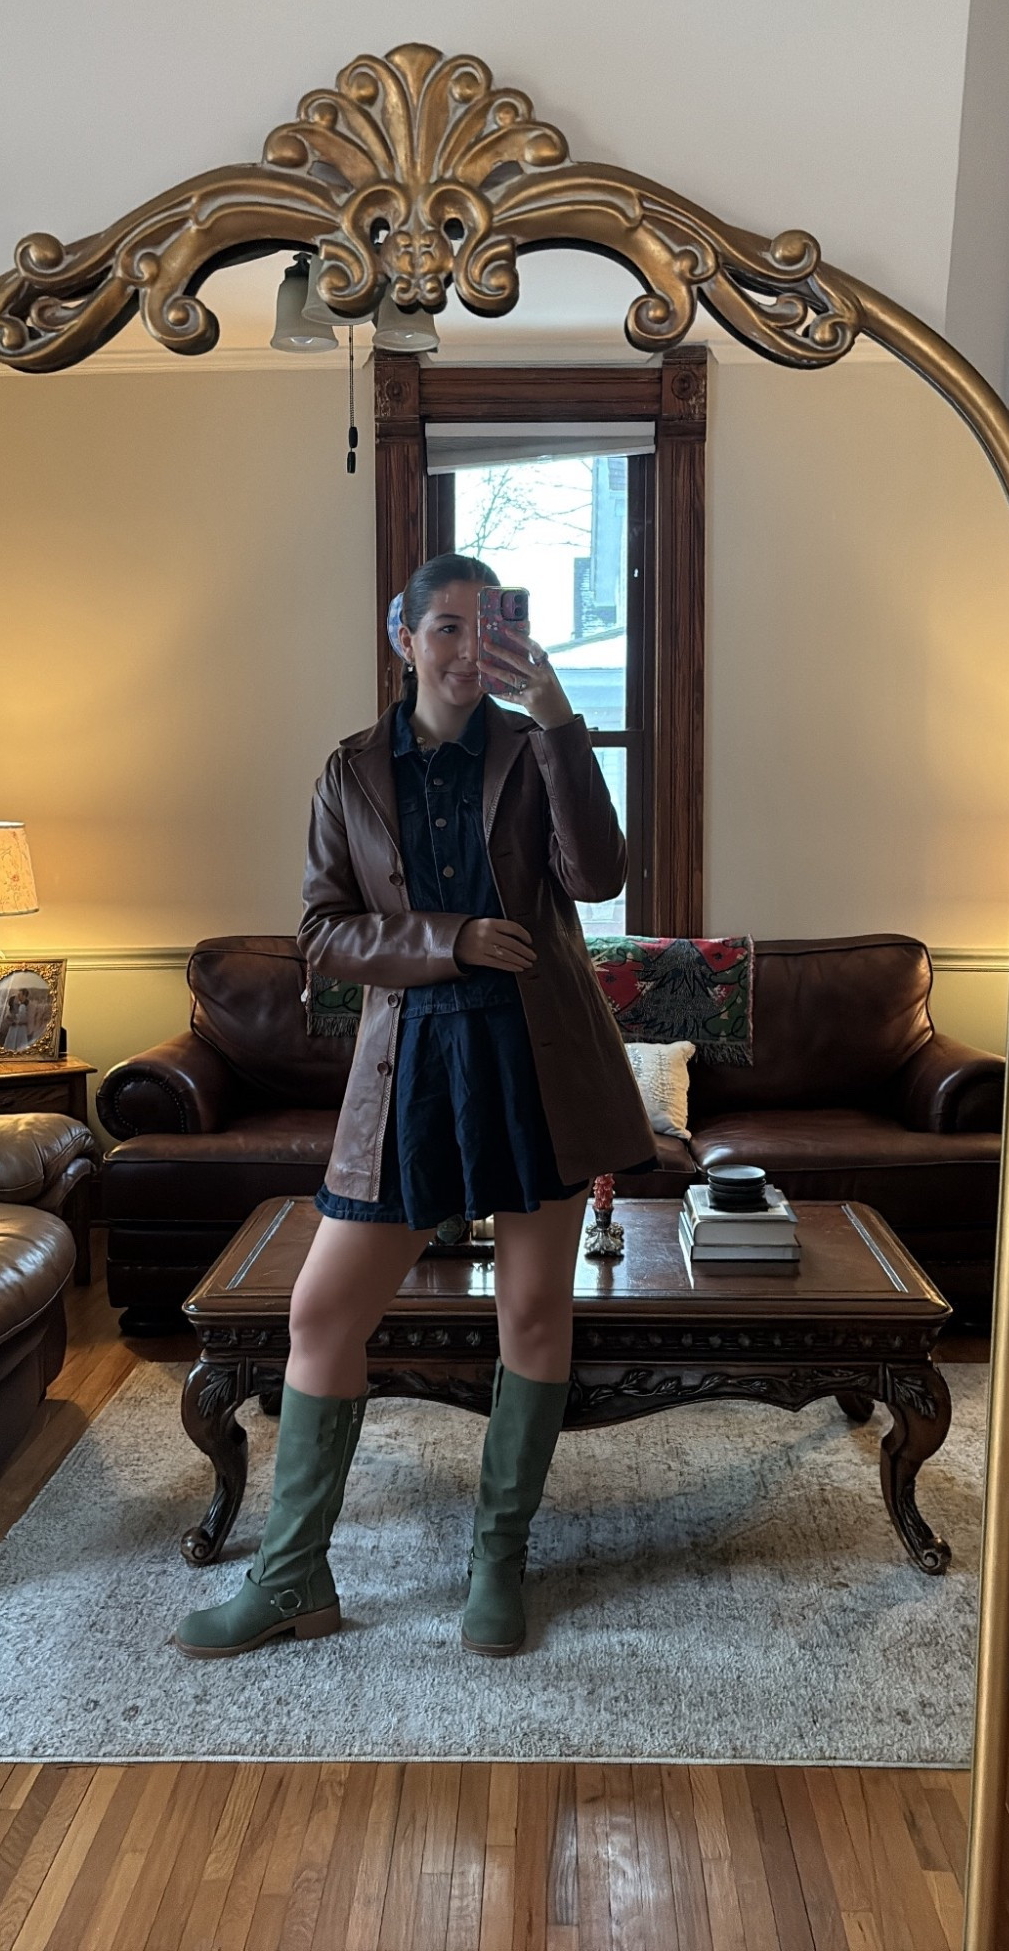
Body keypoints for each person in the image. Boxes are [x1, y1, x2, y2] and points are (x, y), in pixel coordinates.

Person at [174, 553, 657, 1662]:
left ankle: (499, 1559)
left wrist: (558, 717)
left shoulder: (531, 746)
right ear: (404, 638)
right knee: (320, 1313)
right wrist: (452, 939)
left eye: (489, 627)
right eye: (446, 626)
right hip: (407, 1067)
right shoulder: (349, 772)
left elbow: (598, 876)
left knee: (533, 1312)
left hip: (537, 1061)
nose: (467, 648)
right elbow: (323, 932)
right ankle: (292, 1577)